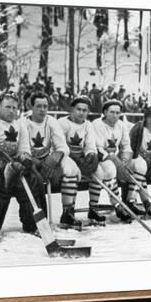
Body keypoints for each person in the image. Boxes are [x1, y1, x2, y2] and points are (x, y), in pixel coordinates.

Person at [0, 91, 47, 242]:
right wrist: (8, 167)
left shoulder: (20, 125)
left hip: (13, 165)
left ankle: (33, 224)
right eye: (7, 107)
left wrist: (24, 159)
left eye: (14, 107)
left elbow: (24, 149)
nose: (12, 111)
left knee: (33, 179)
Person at [22, 92, 80, 229]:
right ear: (31, 107)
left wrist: (55, 157)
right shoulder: (23, 122)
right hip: (30, 163)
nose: (42, 110)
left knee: (71, 167)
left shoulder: (51, 121)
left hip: (48, 162)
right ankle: (34, 222)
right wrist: (32, 160)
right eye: (39, 106)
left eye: (45, 106)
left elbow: (63, 147)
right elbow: (21, 149)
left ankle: (67, 213)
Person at [93, 100, 151, 220]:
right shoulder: (97, 125)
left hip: (117, 159)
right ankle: (118, 205)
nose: (115, 115)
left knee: (140, 164)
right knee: (110, 168)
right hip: (101, 159)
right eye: (112, 112)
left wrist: (125, 161)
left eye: (118, 112)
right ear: (105, 112)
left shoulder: (121, 125)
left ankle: (131, 201)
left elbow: (126, 146)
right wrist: (115, 161)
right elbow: (98, 147)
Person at [57, 97, 105, 227]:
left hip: (81, 159)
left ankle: (93, 209)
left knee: (99, 172)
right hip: (65, 157)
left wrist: (91, 156)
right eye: (78, 109)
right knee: (71, 171)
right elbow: (59, 145)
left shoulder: (88, 125)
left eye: (85, 110)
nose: (81, 113)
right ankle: (68, 211)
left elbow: (90, 145)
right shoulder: (62, 123)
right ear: (72, 109)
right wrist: (75, 158)